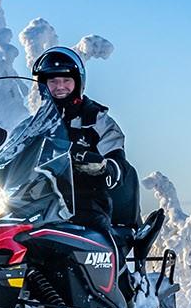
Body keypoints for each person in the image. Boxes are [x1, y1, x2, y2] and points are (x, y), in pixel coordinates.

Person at [31, 46, 126, 235]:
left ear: (78, 82)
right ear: (44, 84)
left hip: (84, 199)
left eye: (66, 80)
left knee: (95, 232)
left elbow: (118, 164)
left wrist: (103, 166)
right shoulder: (33, 125)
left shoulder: (96, 120)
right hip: (37, 200)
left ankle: (117, 263)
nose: (60, 86)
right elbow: (9, 154)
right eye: (53, 81)